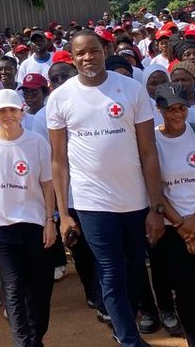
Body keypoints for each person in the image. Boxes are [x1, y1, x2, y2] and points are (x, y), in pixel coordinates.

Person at [46, 30, 167, 347]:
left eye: (94, 51)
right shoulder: (60, 98)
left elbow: (149, 151)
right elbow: (58, 160)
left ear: (105, 50)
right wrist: (64, 213)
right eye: (81, 53)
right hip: (91, 202)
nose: (88, 57)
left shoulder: (130, 89)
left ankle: (126, 326)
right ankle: (130, 339)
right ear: (72, 58)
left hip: (135, 200)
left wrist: (155, 208)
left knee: (136, 269)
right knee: (111, 272)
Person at [0, 88, 56, 347]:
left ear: (21, 112)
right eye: (1, 111)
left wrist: (49, 221)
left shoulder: (37, 142)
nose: (7, 115)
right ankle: (24, 342)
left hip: (33, 223)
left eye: (12, 110)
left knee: (40, 286)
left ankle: (36, 336)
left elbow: (47, 184)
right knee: (12, 286)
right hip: (0, 225)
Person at [150, 83, 195, 347]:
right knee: (185, 287)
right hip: (173, 227)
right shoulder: (151, 140)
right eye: (170, 109)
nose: (177, 113)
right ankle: (194, 340)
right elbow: (156, 189)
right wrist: (183, 226)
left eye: (182, 108)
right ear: (159, 110)